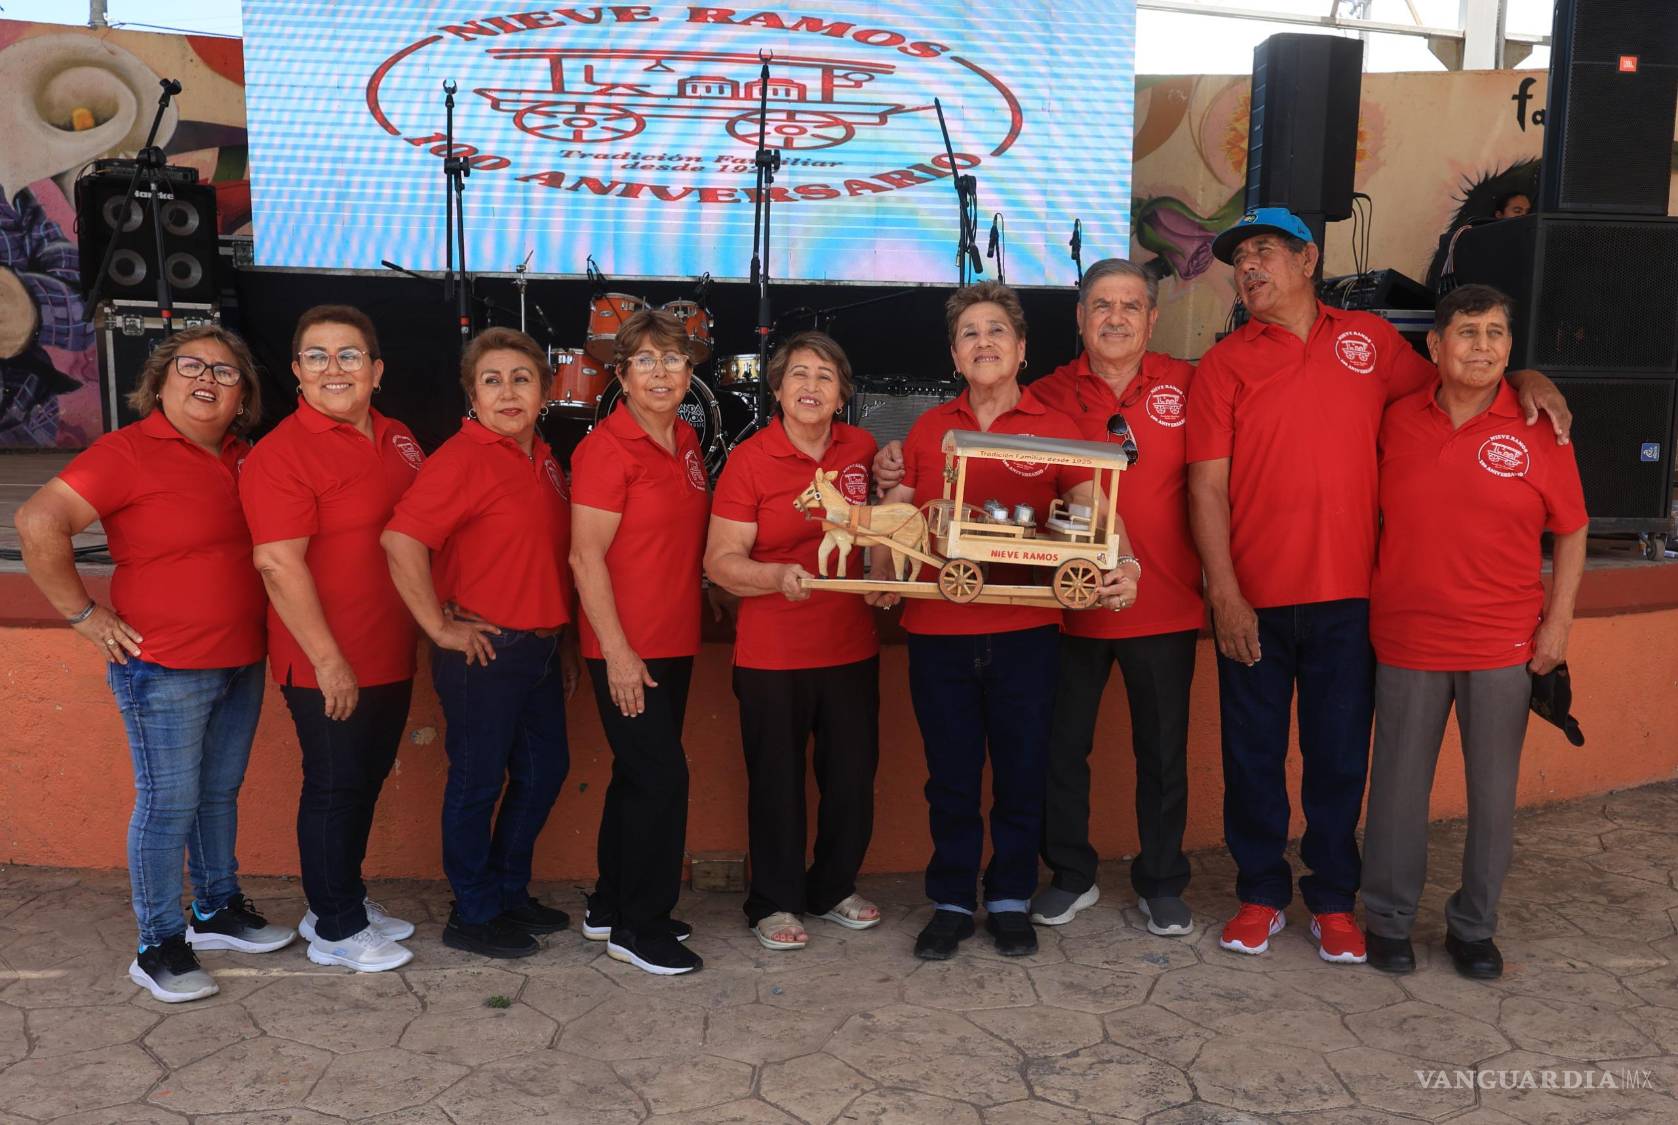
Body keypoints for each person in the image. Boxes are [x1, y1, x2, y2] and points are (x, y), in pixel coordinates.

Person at [1186, 207, 1570, 965]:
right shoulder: (1224, 363)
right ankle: (1261, 893)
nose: (1249, 266)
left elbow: (1459, 378)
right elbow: (1205, 489)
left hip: (1352, 598)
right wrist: (1223, 594)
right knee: (1254, 755)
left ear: (1308, 259)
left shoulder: (1368, 343)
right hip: (1254, 598)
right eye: (1240, 258)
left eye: (1264, 251)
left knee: (1339, 758)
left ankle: (1333, 900)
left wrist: (1526, 373)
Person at [16, 325, 294, 1003]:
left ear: (244, 396)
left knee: (217, 793)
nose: (208, 379)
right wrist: (83, 615)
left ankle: (216, 909)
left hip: (240, 658)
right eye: (191, 365)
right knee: (168, 802)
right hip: (163, 665)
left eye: (226, 372)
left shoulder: (242, 455)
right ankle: (159, 943)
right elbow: (37, 520)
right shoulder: (128, 452)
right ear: (162, 381)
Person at [872, 281, 1140, 961]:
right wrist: (879, 568)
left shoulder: (1056, 428)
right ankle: (954, 898)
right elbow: (898, 517)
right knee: (951, 775)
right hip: (938, 631)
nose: (983, 342)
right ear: (955, 356)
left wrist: (1127, 564)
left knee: (1023, 769)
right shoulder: (931, 428)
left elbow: (1101, 516)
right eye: (969, 334)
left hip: (1026, 634)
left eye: (997, 331)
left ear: (1022, 349)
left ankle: (1012, 895)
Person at [1361, 284, 1586, 980]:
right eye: (1467, 332)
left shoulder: (1538, 429)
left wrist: (1558, 625)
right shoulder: (1395, 421)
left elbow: (1573, 530)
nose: (1482, 347)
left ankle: (1473, 927)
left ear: (1510, 348)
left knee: (1492, 798)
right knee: (1397, 792)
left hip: (1503, 645)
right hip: (1408, 638)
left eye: (1495, 334)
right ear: (1434, 345)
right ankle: (1389, 919)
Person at [382, 327, 581, 960]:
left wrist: (565, 642)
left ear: (546, 391)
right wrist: (439, 627)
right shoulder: (462, 459)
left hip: (540, 650)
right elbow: (400, 541)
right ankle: (472, 912)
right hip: (484, 652)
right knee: (477, 783)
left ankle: (507, 892)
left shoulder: (545, 459)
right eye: (491, 381)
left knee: (543, 772)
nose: (508, 392)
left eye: (522, 379)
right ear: (472, 394)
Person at [1023, 258, 1204, 936]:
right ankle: (1070, 874)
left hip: (1166, 602)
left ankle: (1162, 880)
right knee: (1061, 749)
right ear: (1079, 317)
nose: (1117, 317)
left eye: (1131, 305)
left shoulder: (1190, 383)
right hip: (1066, 608)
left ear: (1153, 318)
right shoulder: (1042, 395)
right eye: (1102, 304)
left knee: (1163, 751)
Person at [241, 304, 424, 973]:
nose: (333, 368)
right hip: (325, 658)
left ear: (376, 371)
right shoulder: (282, 453)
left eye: (349, 355)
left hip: (389, 648)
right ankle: (337, 929)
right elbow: (277, 563)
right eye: (316, 356)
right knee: (335, 784)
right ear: (296, 372)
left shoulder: (399, 436)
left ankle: (338, 897)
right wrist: (328, 661)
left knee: (364, 780)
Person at [704, 331, 882, 951]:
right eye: (798, 375)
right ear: (777, 390)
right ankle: (774, 902)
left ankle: (832, 888)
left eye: (825, 376)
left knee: (853, 780)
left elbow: (882, 526)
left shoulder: (861, 448)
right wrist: (776, 576)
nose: (811, 386)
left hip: (851, 646)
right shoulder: (751, 460)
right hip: (773, 654)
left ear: (842, 395)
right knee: (777, 783)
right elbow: (721, 562)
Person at [569, 308, 710, 976]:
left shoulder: (684, 439)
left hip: (675, 638)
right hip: (626, 647)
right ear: (620, 375)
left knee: (636, 777)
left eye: (674, 360)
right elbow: (585, 558)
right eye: (646, 361)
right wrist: (618, 651)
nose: (662, 372)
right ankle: (640, 926)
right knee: (662, 778)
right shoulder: (607, 448)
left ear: (690, 371)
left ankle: (608, 903)